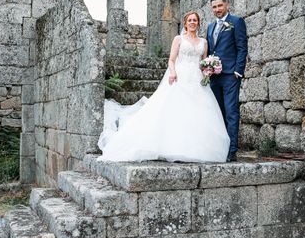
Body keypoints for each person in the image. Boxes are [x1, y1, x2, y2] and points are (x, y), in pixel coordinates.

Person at [98, 10, 230, 162]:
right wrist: (173, 73)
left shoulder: (204, 42)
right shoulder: (178, 39)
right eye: (190, 21)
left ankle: (195, 149)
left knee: (199, 112)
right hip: (180, 77)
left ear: (198, 23)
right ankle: (174, 147)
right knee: (177, 110)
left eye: (195, 20)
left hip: (197, 79)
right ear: (185, 24)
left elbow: (203, 61)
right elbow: (171, 60)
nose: (193, 23)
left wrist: (209, 69)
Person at [206, 0, 248, 162]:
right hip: (214, 77)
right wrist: (207, 68)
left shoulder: (236, 22)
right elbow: (211, 50)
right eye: (214, 7)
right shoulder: (210, 27)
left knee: (231, 112)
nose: (217, 9)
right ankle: (220, 147)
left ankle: (231, 150)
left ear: (226, 5)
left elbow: (242, 47)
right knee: (218, 112)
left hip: (231, 75)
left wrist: (238, 71)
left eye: (219, 6)